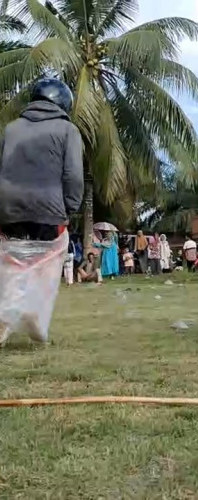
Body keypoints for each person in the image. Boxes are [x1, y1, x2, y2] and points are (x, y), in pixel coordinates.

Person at [0, 78, 83, 345]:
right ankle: (36, 318)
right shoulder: (67, 130)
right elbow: (73, 176)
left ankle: (5, 316)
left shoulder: (11, 129)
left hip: (8, 209)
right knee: (47, 261)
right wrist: (69, 208)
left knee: (13, 263)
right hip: (48, 209)